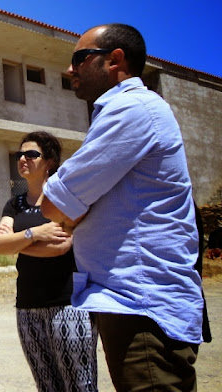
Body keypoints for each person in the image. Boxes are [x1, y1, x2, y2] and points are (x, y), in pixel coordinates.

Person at [41, 24, 203, 391]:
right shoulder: (123, 111)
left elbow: (53, 204)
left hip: (142, 309)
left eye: (80, 58)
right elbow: (66, 206)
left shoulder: (132, 109)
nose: (70, 69)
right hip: (134, 307)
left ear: (115, 60)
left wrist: (73, 210)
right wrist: (77, 206)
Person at [0, 131, 98, 391]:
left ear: (49, 161)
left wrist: (16, 243)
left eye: (31, 154)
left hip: (68, 305)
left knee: (80, 386)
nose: (23, 159)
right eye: (20, 155)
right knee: (47, 386)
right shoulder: (14, 204)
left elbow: (60, 247)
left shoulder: (65, 199)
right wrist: (35, 233)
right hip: (27, 306)